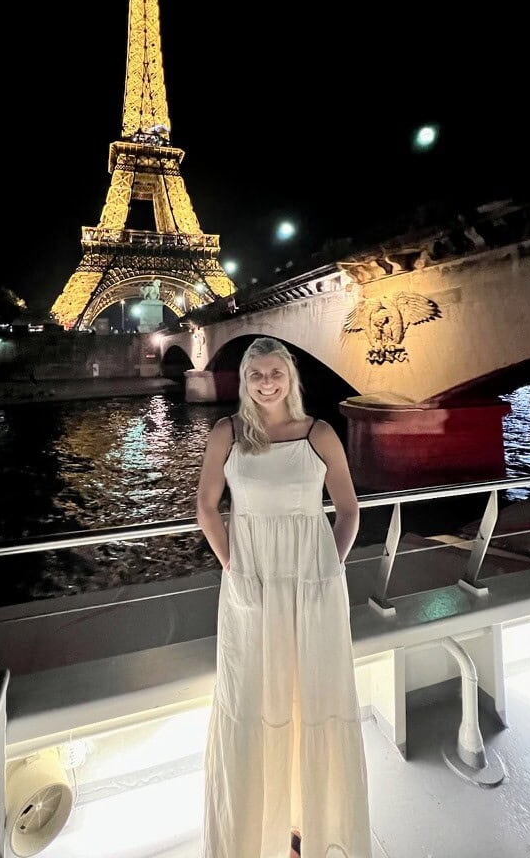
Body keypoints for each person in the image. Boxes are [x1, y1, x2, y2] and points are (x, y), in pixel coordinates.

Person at [196, 336, 372, 858]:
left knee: (313, 695)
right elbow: (207, 507)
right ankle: (257, 834)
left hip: (312, 582)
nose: (267, 383)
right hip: (251, 583)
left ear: (291, 377)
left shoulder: (319, 434)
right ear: (245, 381)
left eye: (276, 373)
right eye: (256, 375)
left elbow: (348, 509)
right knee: (253, 696)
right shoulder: (227, 433)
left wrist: (328, 567)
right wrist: (233, 566)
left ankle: (307, 828)